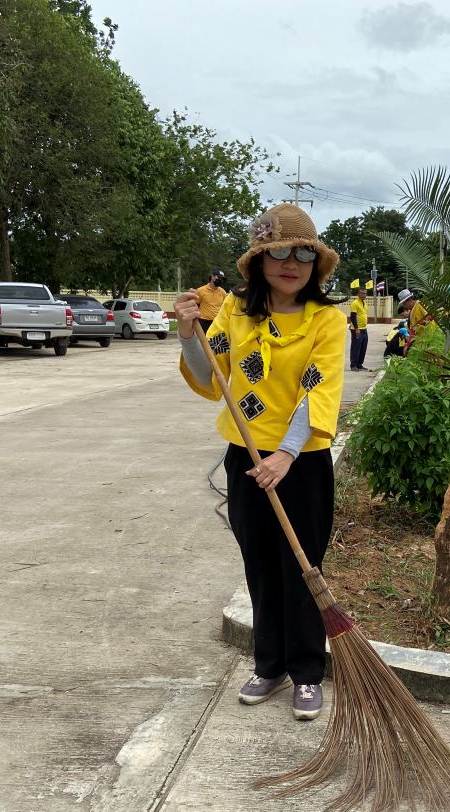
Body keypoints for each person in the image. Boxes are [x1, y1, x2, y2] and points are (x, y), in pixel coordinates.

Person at [172, 204, 345, 721]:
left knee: (303, 566)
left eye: (303, 254)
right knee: (260, 564)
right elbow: (211, 375)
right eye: (278, 252)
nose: (291, 262)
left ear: (316, 265)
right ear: (258, 260)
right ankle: (269, 665)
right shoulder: (235, 311)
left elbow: (318, 390)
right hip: (245, 456)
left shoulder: (327, 321)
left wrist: (286, 454)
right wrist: (187, 333)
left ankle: (308, 671)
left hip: (301, 462)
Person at [348, 282, 369, 371]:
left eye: (364, 293)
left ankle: (359, 364)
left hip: (364, 329)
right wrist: (356, 328)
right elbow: (353, 316)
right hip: (357, 329)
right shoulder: (355, 303)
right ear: (358, 294)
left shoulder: (364, 303)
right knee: (356, 347)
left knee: (363, 347)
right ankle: (353, 365)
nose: (363, 295)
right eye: (361, 293)